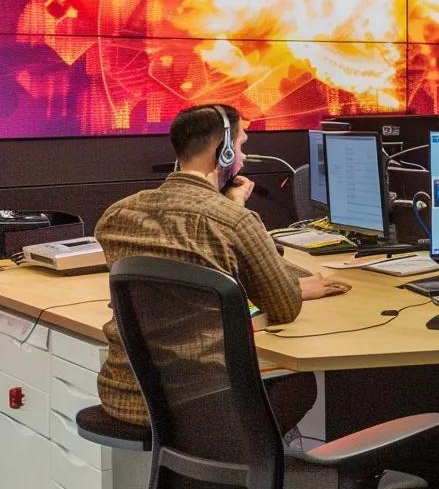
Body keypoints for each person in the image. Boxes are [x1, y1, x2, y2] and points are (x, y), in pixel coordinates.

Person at [95, 104, 350, 429]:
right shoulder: (233, 221)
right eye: (241, 146)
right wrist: (240, 215)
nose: (242, 157)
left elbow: (186, 271)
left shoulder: (117, 214)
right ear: (224, 151)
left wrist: (232, 208)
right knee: (298, 385)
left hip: (123, 397)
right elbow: (284, 308)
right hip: (198, 408)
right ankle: (239, 459)